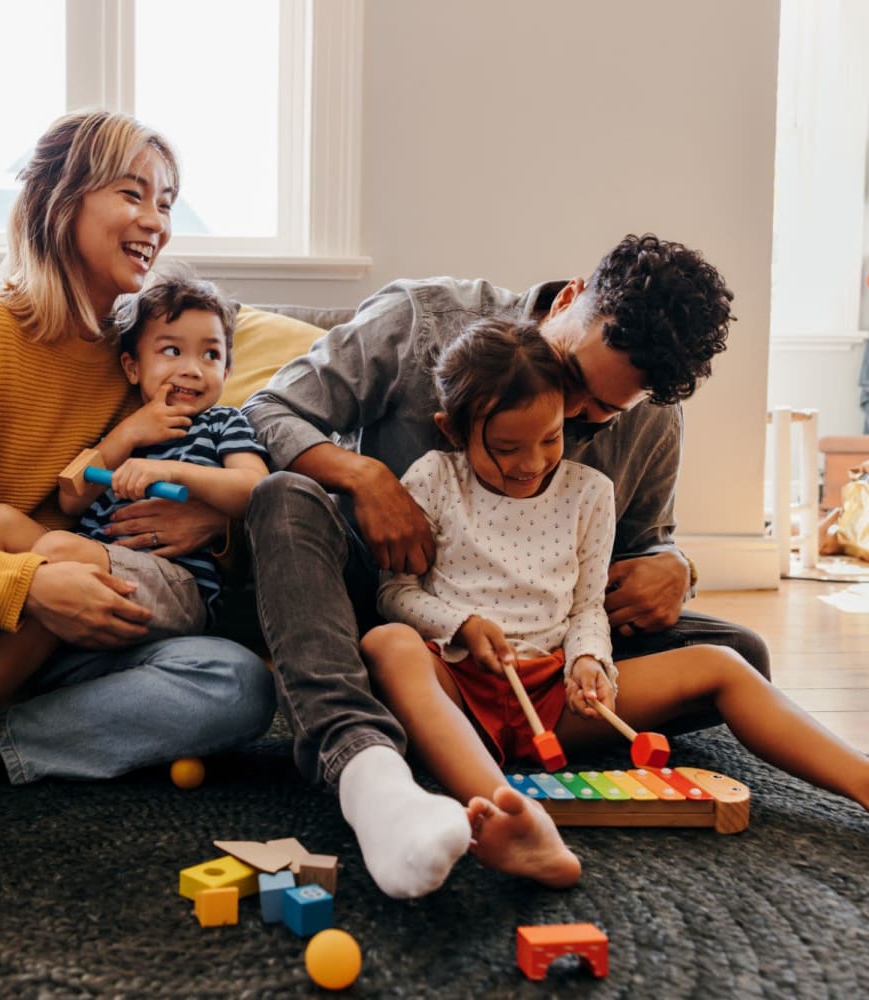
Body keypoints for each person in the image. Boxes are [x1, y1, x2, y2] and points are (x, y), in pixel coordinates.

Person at [241, 233, 769, 899]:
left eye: (600, 415)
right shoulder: (418, 321)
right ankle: (363, 760)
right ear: (572, 298)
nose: (571, 417)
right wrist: (365, 478)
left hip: (539, 649)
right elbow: (268, 408)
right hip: (379, 604)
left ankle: (470, 729)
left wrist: (676, 566)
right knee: (283, 499)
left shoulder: (655, 418)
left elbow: (642, 546)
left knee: (741, 653)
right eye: (573, 379)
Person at [359, 317, 869, 893]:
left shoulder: (589, 494)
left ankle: (861, 778)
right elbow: (395, 594)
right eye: (505, 448)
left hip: (553, 696)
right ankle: (510, 817)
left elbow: (586, 610)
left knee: (725, 663)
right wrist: (464, 625)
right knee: (387, 643)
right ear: (453, 430)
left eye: (549, 439)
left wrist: (589, 664)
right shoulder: (432, 479)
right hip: (456, 687)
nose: (530, 463)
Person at [0, 110, 276, 785]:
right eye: (132, 193)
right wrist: (26, 585)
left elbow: (205, 483)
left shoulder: (142, 362)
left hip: (79, 639)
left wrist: (216, 520)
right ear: (62, 201)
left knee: (237, 685)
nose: (156, 222)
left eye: (166, 203)